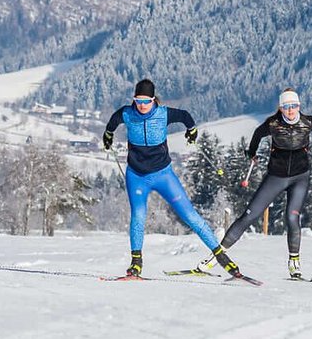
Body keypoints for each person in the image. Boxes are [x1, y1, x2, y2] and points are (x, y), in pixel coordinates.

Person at [102, 78, 242, 279]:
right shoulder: (127, 113)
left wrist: (192, 131)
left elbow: (185, 116)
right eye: (138, 101)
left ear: (153, 100)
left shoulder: (163, 113)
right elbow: (113, 122)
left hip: (163, 175)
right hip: (137, 176)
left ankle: (221, 257)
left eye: (146, 101)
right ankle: (136, 264)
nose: (141, 106)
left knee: (190, 216)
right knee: (138, 216)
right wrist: (108, 134)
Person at [217, 89, 312, 281]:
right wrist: (251, 153)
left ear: (298, 106)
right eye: (286, 107)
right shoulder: (273, 124)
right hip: (276, 177)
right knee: (250, 214)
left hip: (300, 177)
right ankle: (217, 255)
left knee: (292, 218)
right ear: (281, 108)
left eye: (293, 106)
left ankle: (294, 263)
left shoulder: (308, 122)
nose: (290, 110)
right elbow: (258, 134)